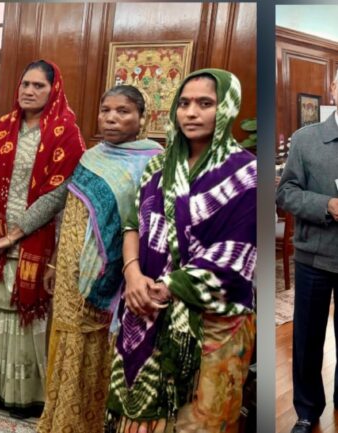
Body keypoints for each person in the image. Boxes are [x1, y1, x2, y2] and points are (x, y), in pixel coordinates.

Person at [106, 69, 257, 432]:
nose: (191, 113)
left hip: (212, 323)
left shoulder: (247, 173)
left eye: (205, 104)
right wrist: (133, 275)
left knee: (197, 421)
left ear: (227, 108)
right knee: (140, 417)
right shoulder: (159, 167)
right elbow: (132, 225)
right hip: (144, 308)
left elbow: (235, 254)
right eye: (184, 103)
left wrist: (167, 287)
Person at [0, 60, 86, 418]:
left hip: (35, 239)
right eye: (25, 84)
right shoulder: (3, 127)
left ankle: (23, 395)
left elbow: (57, 194)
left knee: (21, 314)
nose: (29, 91)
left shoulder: (65, 132)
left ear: (53, 90)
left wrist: (15, 234)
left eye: (38, 86)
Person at [37, 85, 162, 433]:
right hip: (70, 269)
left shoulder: (154, 161)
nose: (111, 118)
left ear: (142, 117)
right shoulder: (91, 157)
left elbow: (148, 224)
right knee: (68, 339)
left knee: (101, 344)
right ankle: (61, 419)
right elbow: (73, 214)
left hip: (119, 275)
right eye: (106, 110)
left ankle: (92, 423)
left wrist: (127, 271)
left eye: (123, 111)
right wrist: (55, 261)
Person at [276, 72, 338, 433]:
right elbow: (285, 193)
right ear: (333, 89)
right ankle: (307, 410)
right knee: (308, 338)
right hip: (315, 255)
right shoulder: (305, 139)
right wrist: (327, 204)